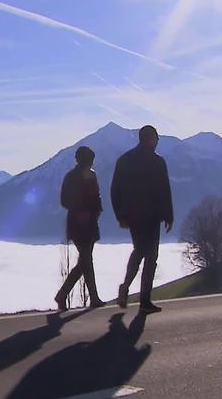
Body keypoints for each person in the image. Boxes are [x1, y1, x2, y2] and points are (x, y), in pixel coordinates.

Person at [111, 125, 173, 314]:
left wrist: (120, 215)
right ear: (150, 139)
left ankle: (130, 290)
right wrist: (168, 215)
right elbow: (165, 191)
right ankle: (143, 299)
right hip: (149, 216)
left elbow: (115, 190)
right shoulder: (157, 162)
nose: (158, 141)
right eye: (156, 137)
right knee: (149, 256)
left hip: (136, 216)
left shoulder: (126, 160)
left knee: (142, 253)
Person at [55, 146, 106, 311]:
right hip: (78, 225)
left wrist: (96, 210)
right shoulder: (72, 177)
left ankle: (63, 295)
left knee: (84, 261)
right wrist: (81, 211)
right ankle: (92, 297)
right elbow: (65, 200)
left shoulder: (92, 176)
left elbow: (96, 197)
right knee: (86, 260)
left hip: (89, 223)